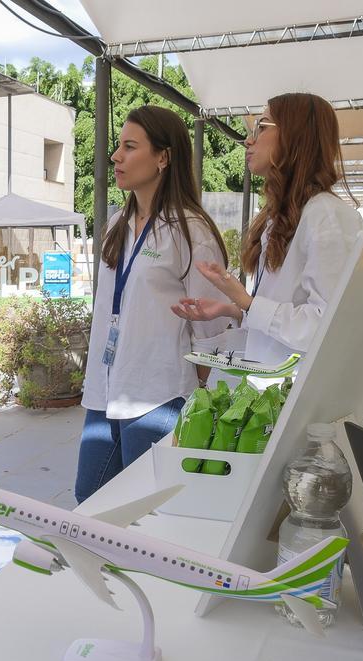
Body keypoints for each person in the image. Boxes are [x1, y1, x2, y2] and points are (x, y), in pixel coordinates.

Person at [74, 104, 233, 504]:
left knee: (146, 509)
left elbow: (211, 329)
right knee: (90, 498)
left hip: (158, 395)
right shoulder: (117, 224)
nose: (116, 156)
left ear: (163, 157)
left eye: (130, 147)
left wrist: (193, 393)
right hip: (106, 387)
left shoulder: (190, 232)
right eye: (119, 146)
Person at [171, 92, 363, 367]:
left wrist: (247, 302)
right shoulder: (283, 216)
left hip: (296, 388)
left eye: (262, 127)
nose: (249, 140)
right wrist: (233, 310)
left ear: (296, 136)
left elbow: (328, 326)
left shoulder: (327, 215)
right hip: (270, 383)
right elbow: (287, 309)